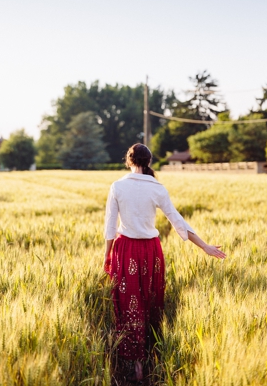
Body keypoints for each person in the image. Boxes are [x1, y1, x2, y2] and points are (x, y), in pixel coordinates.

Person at [103, 143, 226, 382]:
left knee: (130, 304)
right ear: (148, 161)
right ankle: (151, 353)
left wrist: (107, 256)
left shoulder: (118, 186)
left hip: (125, 249)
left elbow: (110, 226)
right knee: (150, 302)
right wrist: (205, 246)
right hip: (151, 252)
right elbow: (178, 222)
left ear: (129, 160)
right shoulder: (158, 188)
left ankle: (135, 362)